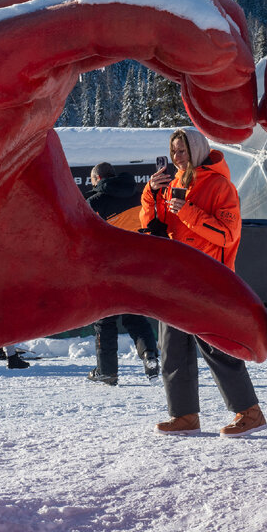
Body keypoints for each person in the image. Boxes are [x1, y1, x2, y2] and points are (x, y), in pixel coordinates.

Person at [140, 128, 266, 437]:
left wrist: (189, 212)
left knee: (216, 347)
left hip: (209, 279)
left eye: (181, 150)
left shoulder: (220, 185)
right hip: (176, 278)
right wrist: (151, 195)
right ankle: (184, 415)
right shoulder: (173, 186)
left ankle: (250, 412)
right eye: (173, 151)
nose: (176, 157)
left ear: (196, 151)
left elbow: (228, 234)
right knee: (172, 349)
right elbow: (155, 229)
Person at [84, 162, 160, 386]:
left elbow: (86, 238)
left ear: (97, 179)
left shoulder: (95, 202)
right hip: (136, 268)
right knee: (134, 316)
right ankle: (150, 358)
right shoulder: (138, 197)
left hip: (107, 269)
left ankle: (107, 371)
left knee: (104, 320)